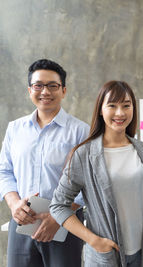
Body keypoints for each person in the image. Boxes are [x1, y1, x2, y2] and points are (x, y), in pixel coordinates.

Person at [50, 80, 143, 267]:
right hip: (107, 254)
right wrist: (94, 241)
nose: (120, 113)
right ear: (101, 110)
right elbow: (58, 206)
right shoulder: (84, 154)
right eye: (112, 105)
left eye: (126, 105)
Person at [0, 59, 89, 267]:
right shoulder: (15, 129)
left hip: (65, 225)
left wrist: (59, 216)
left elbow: (88, 183)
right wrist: (14, 205)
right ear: (30, 90)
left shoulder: (80, 132)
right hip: (22, 222)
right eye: (38, 85)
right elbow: (4, 171)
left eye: (52, 86)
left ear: (64, 90)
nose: (45, 92)